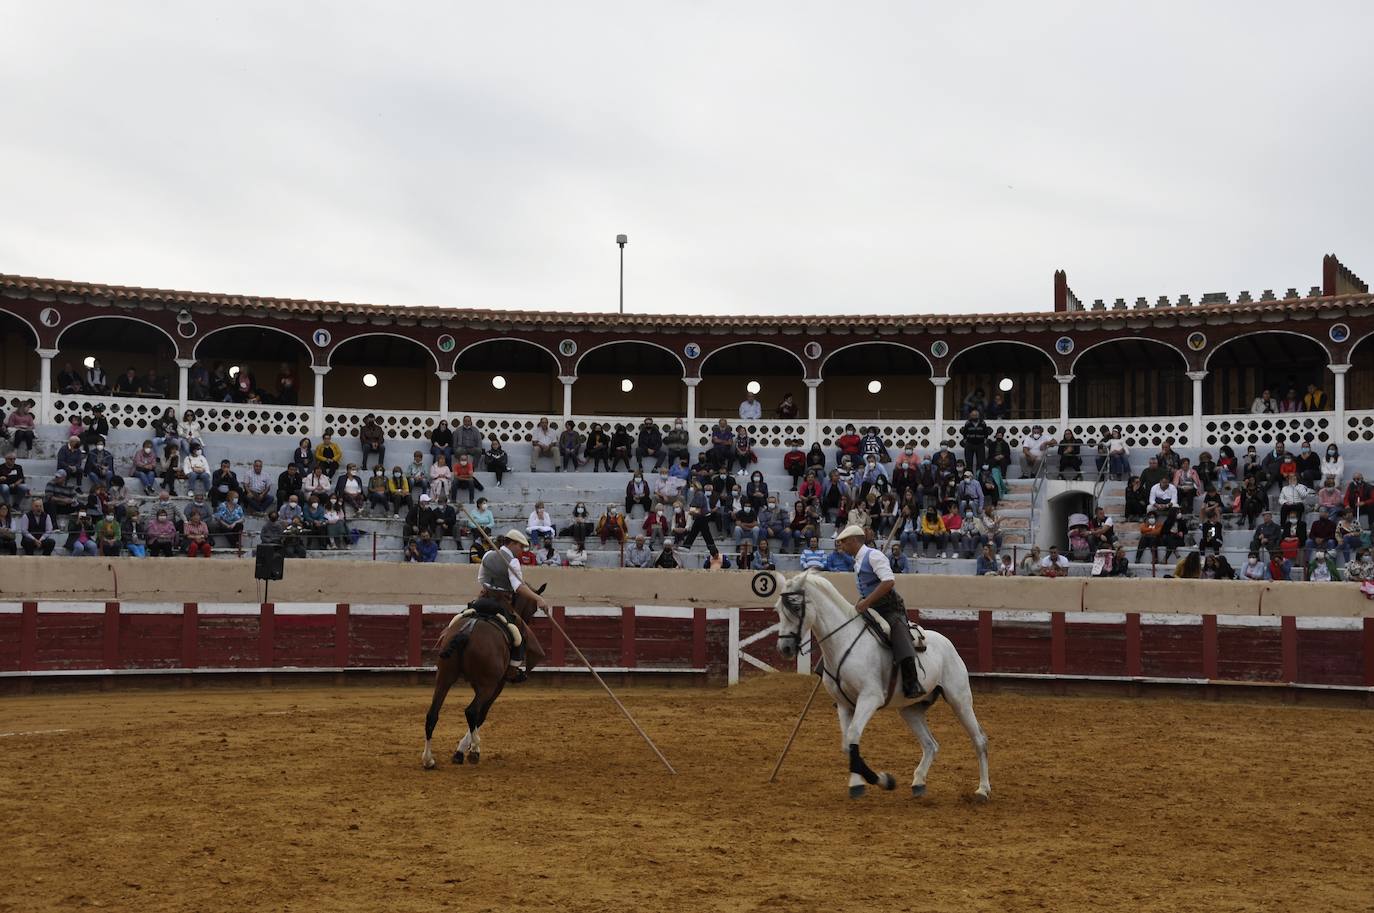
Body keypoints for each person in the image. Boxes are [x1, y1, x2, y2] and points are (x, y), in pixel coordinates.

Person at [834, 524, 922, 698]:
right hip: (869, 607)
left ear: (853, 541)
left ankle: (912, 682)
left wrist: (866, 601)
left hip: (889, 608)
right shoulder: (859, 559)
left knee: (898, 634)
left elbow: (888, 582)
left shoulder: (874, 556)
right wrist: (864, 601)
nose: (841, 546)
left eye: (843, 542)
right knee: (844, 631)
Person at [473, 529, 552, 680]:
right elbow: (518, 587)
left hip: (482, 599)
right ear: (513, 543)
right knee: (520, 635)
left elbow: (481, 579)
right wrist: (538, 598)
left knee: (464, 616)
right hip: (501, 602)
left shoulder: (488, 555)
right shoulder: (513, 562)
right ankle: (512, 670)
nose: (522, 551)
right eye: (521, 547)